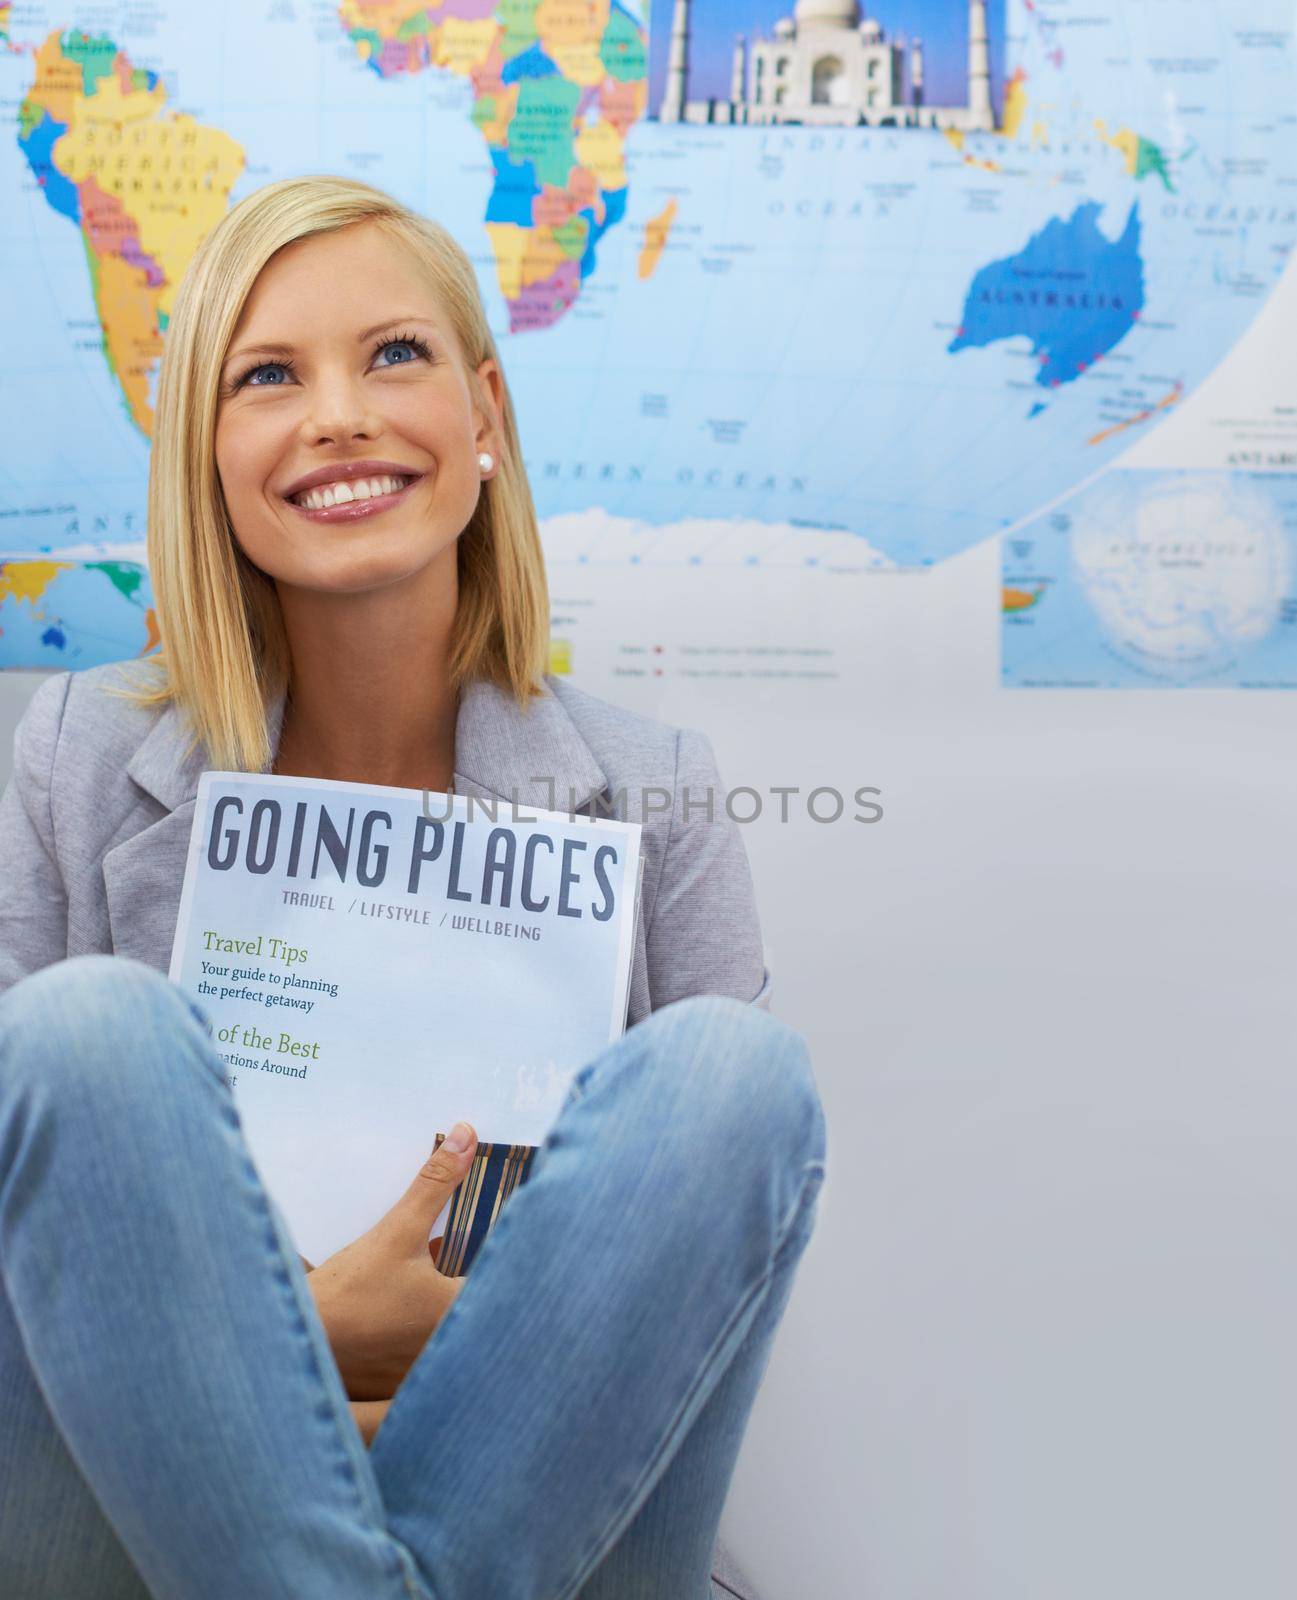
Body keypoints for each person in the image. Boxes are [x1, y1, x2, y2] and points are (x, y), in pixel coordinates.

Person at [0, 176, 826, 1600]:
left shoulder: (660, 792)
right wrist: (318, 1338)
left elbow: (676, 1308)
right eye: (268, 376)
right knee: (82, 1036)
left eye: (394, 355)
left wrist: (421, 1386)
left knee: (733, 1077)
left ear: (485, 416)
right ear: (204, 456)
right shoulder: (76, 756)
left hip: (546, 1505)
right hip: (131, 1517)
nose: (340, 414)